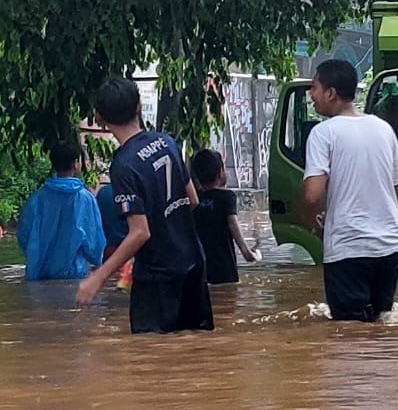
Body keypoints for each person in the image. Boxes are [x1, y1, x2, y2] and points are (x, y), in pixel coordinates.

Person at [75, 77, 213, 334]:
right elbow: (192, 200)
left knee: (150, 358)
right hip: (193, 263)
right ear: (138, 107)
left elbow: (140, 232)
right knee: (196, 351)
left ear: (99, 117)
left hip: (158, 277)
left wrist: (98, 277)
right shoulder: (167, 143)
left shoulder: (124, 166)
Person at [302, 57, 398, 322]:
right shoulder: (384, 129)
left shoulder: (323, 133)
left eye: (314, 88)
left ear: (331, 93)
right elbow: (397, 192)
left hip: (348, 249)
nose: (311, 95)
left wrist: (319, 221)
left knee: (349, 334)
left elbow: (312, 194)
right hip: (388, 248)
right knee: (380, 325)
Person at [17, 139, 105, 281]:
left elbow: (24, 235)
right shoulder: (86, 199)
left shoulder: (38, 198)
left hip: (39, 271)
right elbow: (95, 244)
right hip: (74, 274)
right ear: (76, 162)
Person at [190, 147, 258, 285]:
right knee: (229, 299)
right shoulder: (227, 197)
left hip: (201, 268)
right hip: (225, 268)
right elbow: (232, 223)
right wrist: (246, 251)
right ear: (220, 172)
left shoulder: (194, 199)